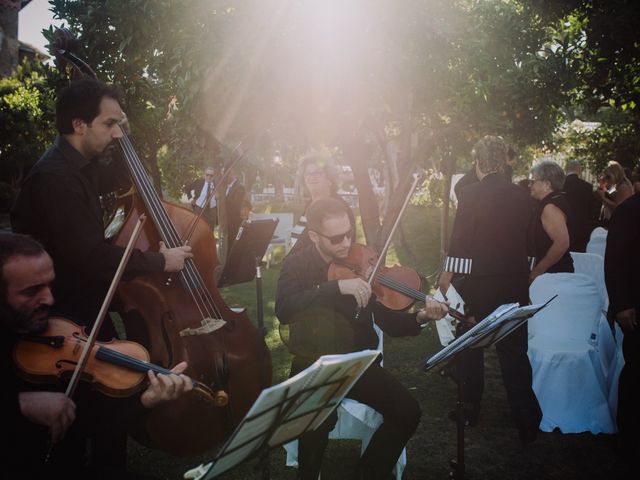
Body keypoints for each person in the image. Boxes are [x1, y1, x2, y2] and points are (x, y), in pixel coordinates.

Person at [275, 197, 448, 480]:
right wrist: (337, 287)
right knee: (317, 420)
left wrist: (420, 318)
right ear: (314, 236)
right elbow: (284, 308)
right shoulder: (297, 265)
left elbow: (387, 320)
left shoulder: (361, 262)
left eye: (349, 234)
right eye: (336, 238)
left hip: (357, 362)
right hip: (314, 362)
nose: (345, 243)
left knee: (407, 411)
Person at [0, 232, 192, 479]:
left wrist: (144, 401)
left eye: (50, 285)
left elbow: (92, 421)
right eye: (31, 291)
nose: (49, 298)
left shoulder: (57, 328)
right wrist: (20, 405)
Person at [11, 78, 192, 329]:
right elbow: (93, 256)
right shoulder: (56, 178)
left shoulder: (81, 167)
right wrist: (162, 261)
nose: (116, 132)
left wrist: (124, 138)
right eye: (109, 124)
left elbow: (123, 177)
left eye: (118, 124)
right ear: (79, 125)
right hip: (64, 317)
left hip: (85, 308)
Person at [439, 135, 541, 444]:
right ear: (504, 160)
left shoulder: (470, 195)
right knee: (514, 351)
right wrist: (523, 274)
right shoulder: (524, 196)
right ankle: (526, 419)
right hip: (514, 282)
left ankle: (470, 409)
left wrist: (447, 276)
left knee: (471, 344)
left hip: (480, 284)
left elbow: (461, 244)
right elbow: (532, 245)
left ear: (479, 162)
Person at [604, 191, 640, 461]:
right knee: (636, 371)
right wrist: (622, 304)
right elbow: (614, 262)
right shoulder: (628, 210)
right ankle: (629, 438)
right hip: (635, 306)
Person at [289, 151, 355, 255]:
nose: (312, 177)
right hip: (299, 267)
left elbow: (345, 246)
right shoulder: (310, 205)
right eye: (308, 173)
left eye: (317, 173)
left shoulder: (338, 207)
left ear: (329, 177)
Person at [528, 161, 574, 283]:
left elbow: (562, 244)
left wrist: (536, 272)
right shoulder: (556, 200)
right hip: (553, 274)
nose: (530, 185)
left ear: (547, 184)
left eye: (533, 181)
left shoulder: (550, 207)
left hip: (553, 276)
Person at [562, 159, 595, 252]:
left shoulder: (560, 185)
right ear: (579, 170)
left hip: (563, 229)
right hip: (581, 230)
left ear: (566, 169)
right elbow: (590, 210)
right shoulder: (587, 187)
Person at [222, 166, 246, 249]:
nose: (224, 177)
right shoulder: (225, 187)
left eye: (227, 174)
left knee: (232, 245)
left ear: (233, 174)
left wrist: (223, 198)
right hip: (226, 222)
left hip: (234, 222)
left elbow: (236, 205)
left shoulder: (239, 187)